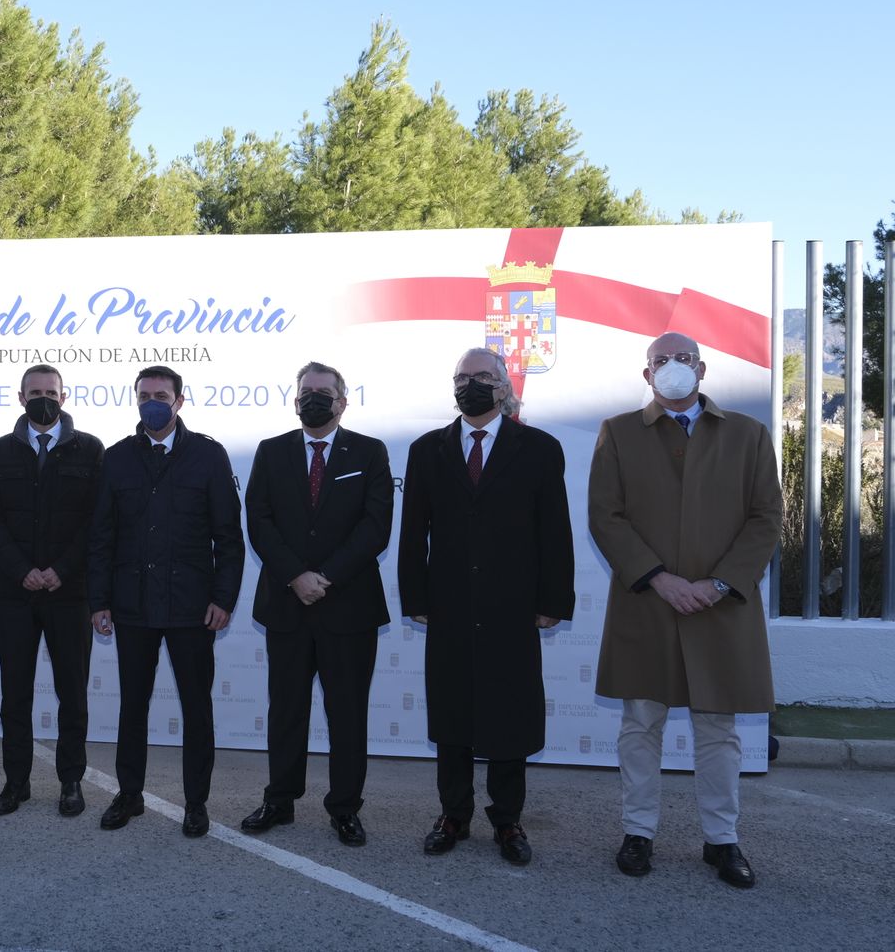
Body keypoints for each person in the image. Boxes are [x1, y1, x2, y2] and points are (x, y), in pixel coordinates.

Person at [588, 332, 782, 889]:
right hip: (648, 603)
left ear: (703, 367)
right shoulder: (619, 433)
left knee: (719, 728)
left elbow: (767, 517)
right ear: (646, 375)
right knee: (641, 721)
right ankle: (637, 833)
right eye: (660, 361)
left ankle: (722, 841)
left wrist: (720, 583)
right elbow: (606, 516)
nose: (672, 368)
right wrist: (659, 578)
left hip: (721, 606)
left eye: (683, 359)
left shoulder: (748, 435)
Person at [398, 347, 574, 865]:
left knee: (509, 714)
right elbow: (414, 534)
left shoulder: (540, 448)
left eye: (482, 376)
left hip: (513, 604)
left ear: (503, 386)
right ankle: (453, 815)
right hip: (449, 604)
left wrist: (551, 601)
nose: (470, 385)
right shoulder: (427, 449)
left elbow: (555, 532)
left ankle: (507, 819)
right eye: (462, 377)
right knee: (452, 712)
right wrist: (417, 597)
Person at [87, 365, 244, 838]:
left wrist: (224, 598)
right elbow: (101, 537)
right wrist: (99, 600)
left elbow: (228, 538)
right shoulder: (116, 459)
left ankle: (196, 803)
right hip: (132, 606)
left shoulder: (209, 456)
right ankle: (128, 794)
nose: (152, 402)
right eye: (144, 395)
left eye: (161, 394)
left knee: (197, 707)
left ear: (179, 400)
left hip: (193, 608)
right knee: (132, 705)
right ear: (135, 400)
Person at [240, 361, 393, 847]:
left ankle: (345, 808)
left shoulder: (369, 452)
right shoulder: (271, 452)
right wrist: (295, 576)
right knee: (286, 709)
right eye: (306, 392)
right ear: (295, 399)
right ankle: (279, 800)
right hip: (287, 605)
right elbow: (259, 520)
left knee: (347, 713)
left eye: (324, 392)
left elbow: (375, 526)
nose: (314, 399)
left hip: (348, 606)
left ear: (343, 402)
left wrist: (324, 577)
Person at [0, 364, 105, 818]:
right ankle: (16, 783)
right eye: (35, 392)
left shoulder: (90, 450)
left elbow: (96, 522)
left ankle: (71, 782)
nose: (43, 398)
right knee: (16, 695)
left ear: (64, 397)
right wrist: (23, 569)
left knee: (73, 693)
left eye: (51, 391)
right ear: (20, 397)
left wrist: (60, 570)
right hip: (16, 593)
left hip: (70, 594)